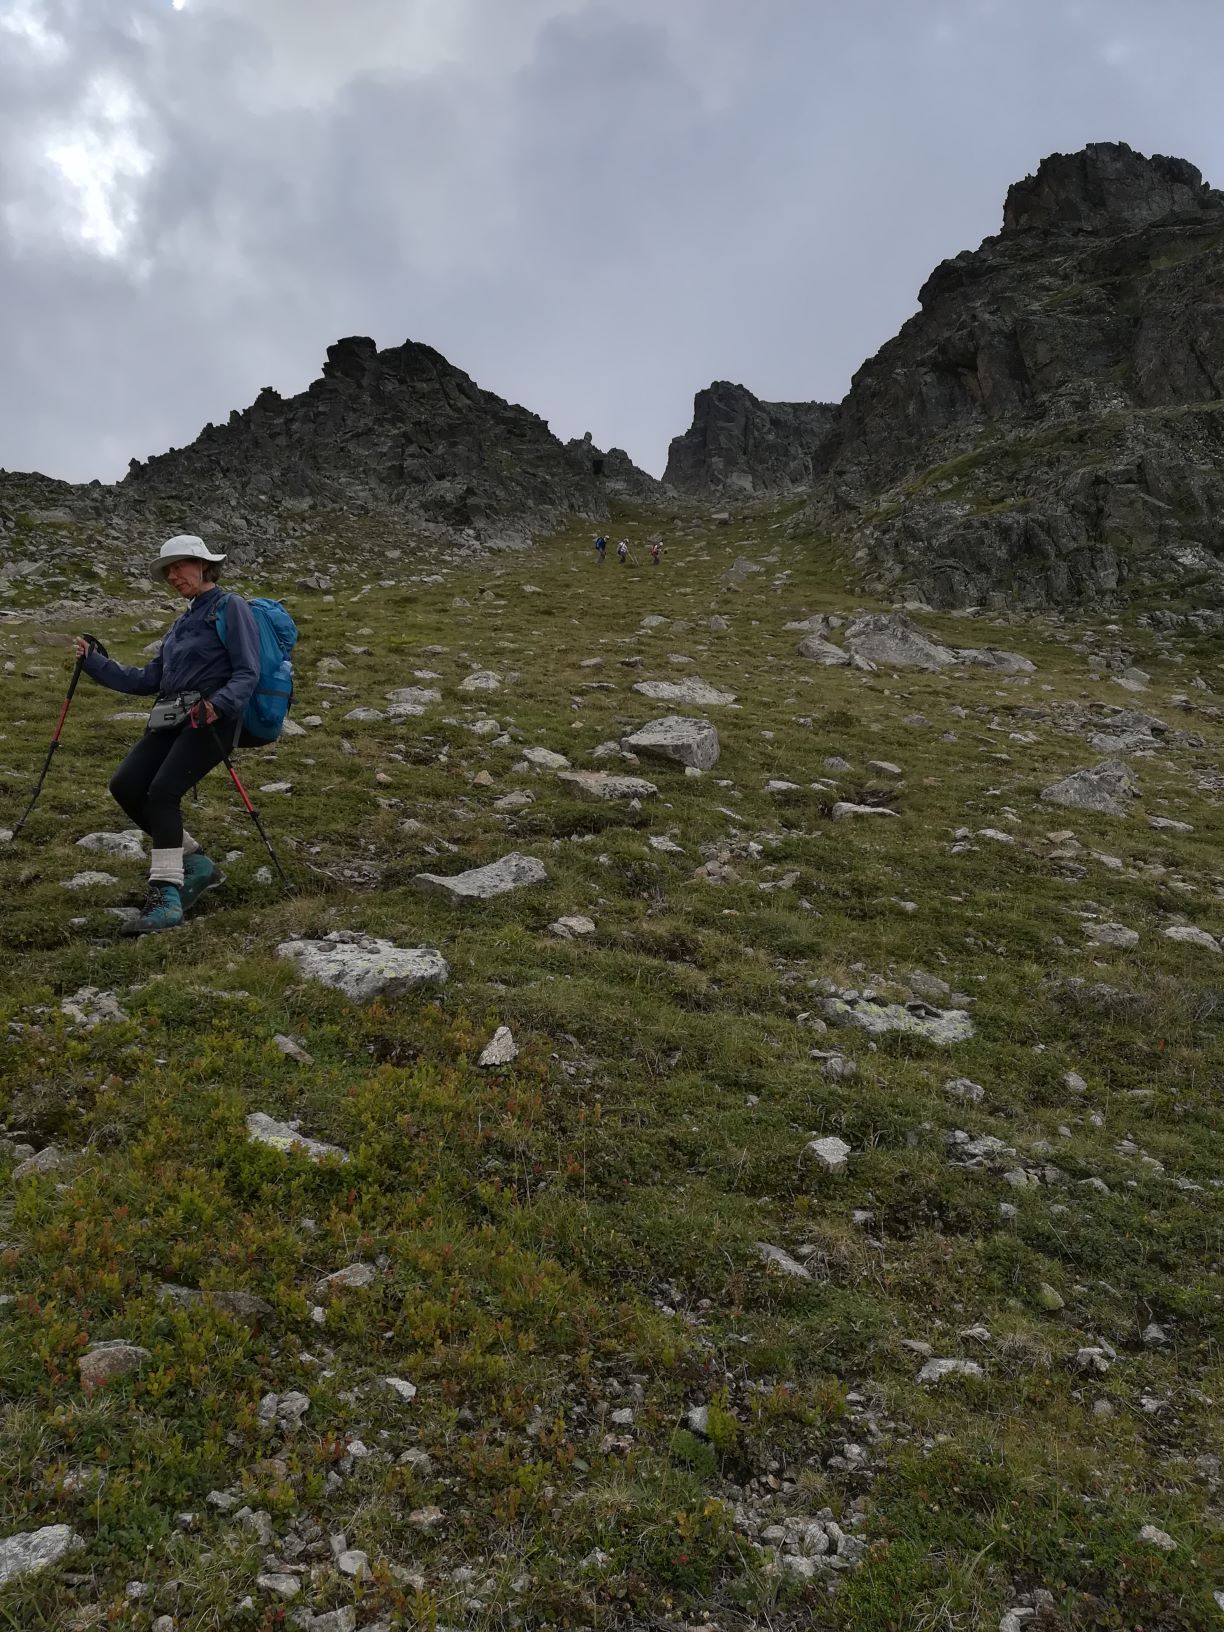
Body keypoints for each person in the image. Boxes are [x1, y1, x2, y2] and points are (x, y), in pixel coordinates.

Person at [75, 535, 260, 936]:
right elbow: (149, 679)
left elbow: (249, 671)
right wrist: (96, 664)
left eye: (180, 566)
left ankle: (166, 896)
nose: (174, 576)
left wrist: (218, 705)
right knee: (125, 785)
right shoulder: (181, 623)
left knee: (161, 794)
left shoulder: (231, 607)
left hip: (212, 721)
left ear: (203, 565)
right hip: (172, 716)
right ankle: (195, 862)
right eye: (168, 571)